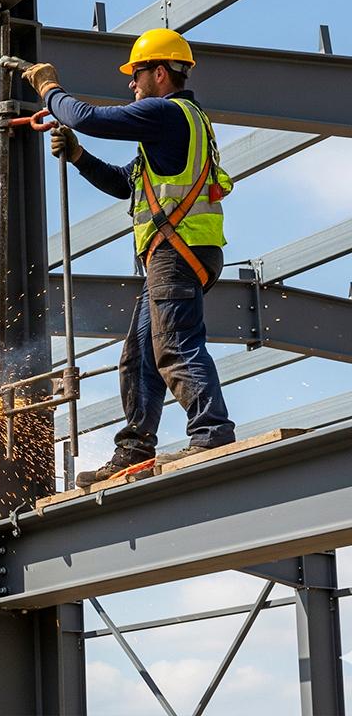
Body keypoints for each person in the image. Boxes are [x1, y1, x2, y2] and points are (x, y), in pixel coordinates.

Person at [20, 28, 236, 487]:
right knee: (139, 354)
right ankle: (134, 446)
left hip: (176, 252)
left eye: (136, 75)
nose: (131, 85)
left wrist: (48, 87)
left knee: (174, 345)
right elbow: (126, 184)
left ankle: (212, 431)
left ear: (160, 73)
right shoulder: (177, 127)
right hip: (182, 251)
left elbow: (89, 117)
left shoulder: (167, 113)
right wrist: (79, 157)